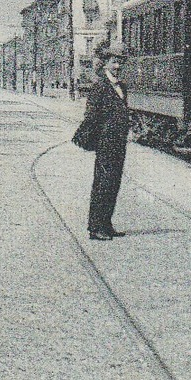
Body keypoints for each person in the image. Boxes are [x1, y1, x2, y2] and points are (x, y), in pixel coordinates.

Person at [73, 42, 132, 241]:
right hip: (106, 142)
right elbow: (90, 116)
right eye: (114, 62)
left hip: (119, 142)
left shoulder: (121, 86)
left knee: (113, 182)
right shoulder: (99, 86)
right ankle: (95, 227)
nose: (117, 66)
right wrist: (97, 139)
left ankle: (106, 224)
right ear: (105, 63)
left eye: (120, 62)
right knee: (102, 184)